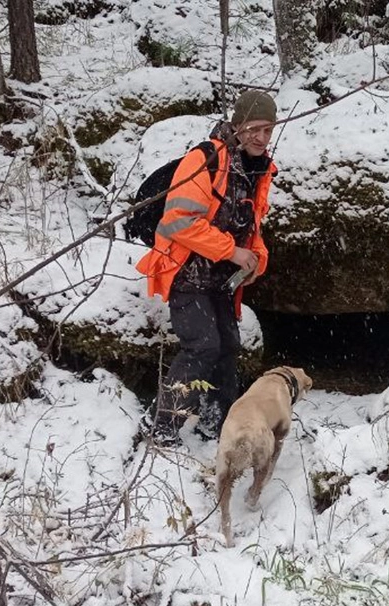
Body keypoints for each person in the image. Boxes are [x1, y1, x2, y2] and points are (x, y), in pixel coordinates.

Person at [135, 90, 278, 447]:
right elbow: (179, 221)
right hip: (186, 273)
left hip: (220, 281)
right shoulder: (206, 159)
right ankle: (161, 423)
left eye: (268, 130)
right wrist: (232, 252)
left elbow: (252, 229)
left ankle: (216, 423)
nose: (261, 138)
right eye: (255, 129)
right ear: (238, 125)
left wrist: (255, 258)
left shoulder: (257, 169)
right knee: (202, 346)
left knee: (229, 346)